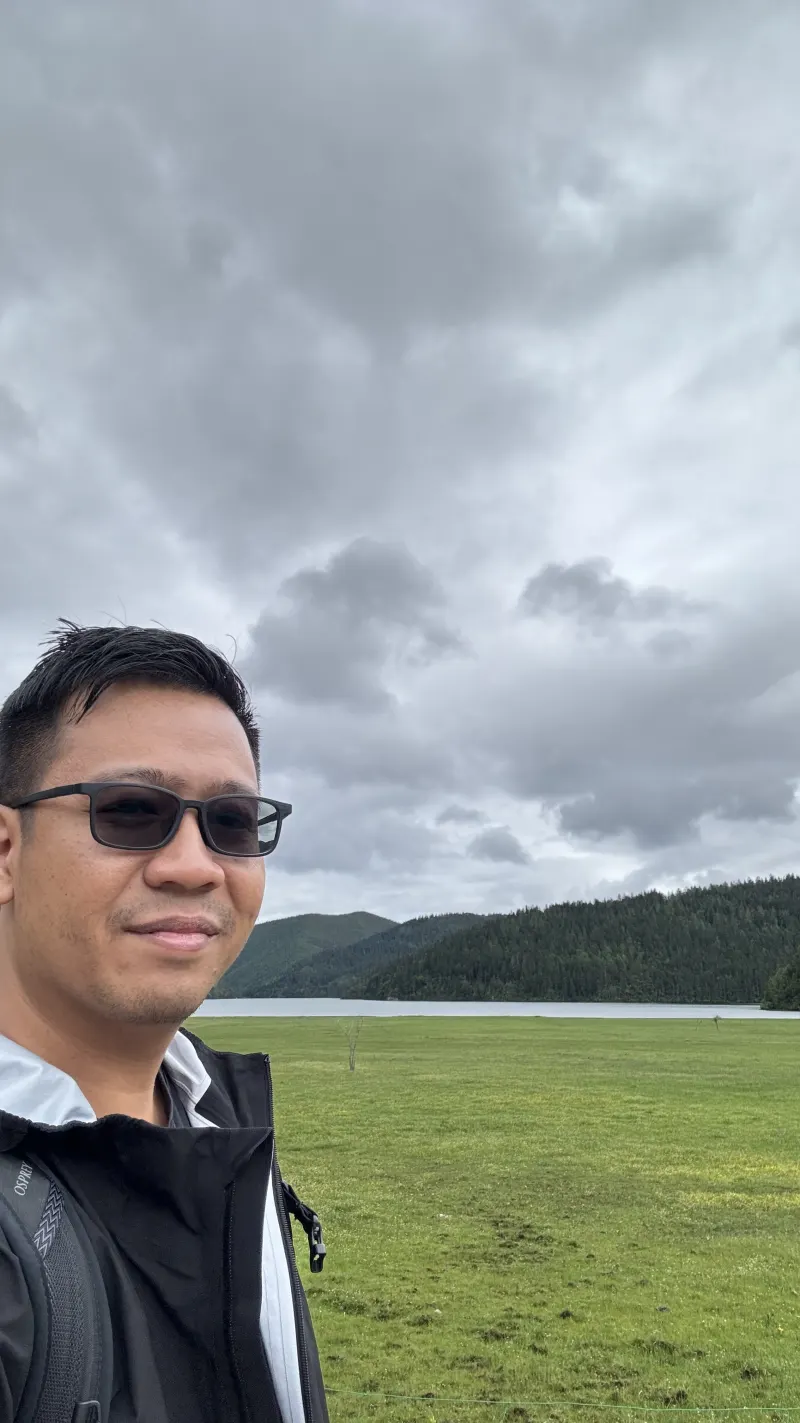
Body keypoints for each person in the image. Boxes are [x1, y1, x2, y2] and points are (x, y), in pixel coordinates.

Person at [0, 622, 328, 1422]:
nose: (193, 865)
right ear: (6, 850)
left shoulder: (219, 1108)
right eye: (129, 810)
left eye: (233, 821)